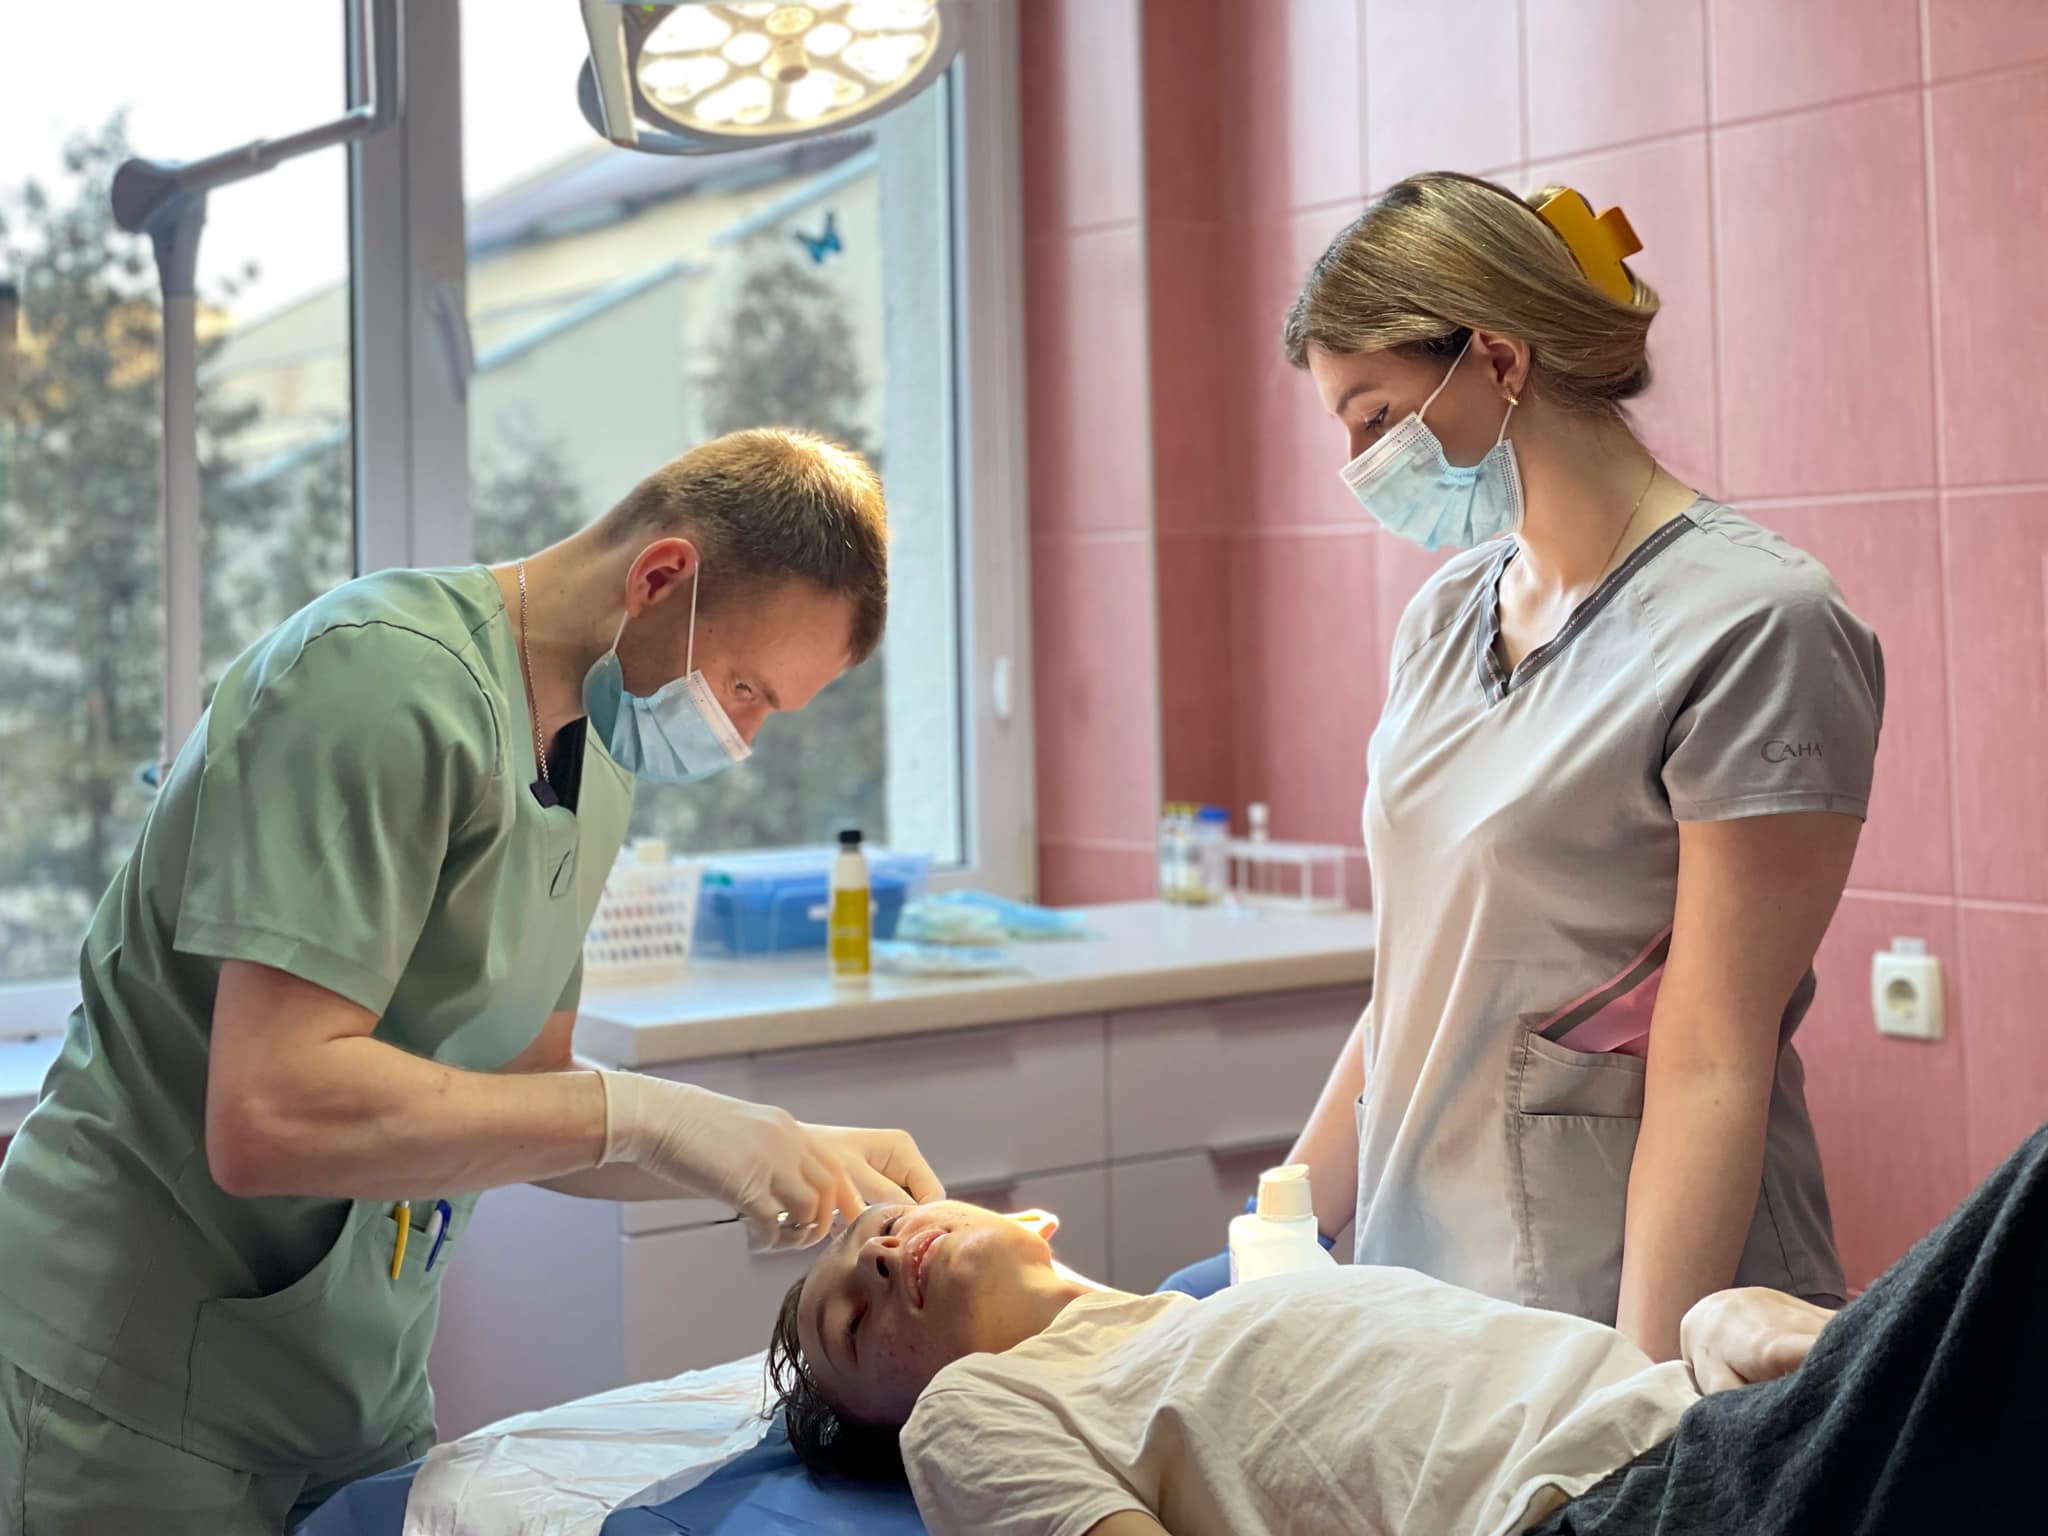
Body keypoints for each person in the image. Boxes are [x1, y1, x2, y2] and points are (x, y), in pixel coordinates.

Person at [0, 428, 944, 1533]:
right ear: (659, 577)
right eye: (744, 687)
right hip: (134, 1374)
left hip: (347, 1382)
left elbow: (527, 1096)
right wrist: (656, 1116)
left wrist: (779, 1152)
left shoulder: (595, 762)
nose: (739, 736)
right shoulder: (376, 682)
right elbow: (268, 1115)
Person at [1165, 174, 1885, 1362]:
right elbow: (1419, 978)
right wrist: (1279, 1237)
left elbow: (1713, 1053)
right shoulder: (1445, 615)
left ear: (1497, 361)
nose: (1358, 464)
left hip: (1626, 1298)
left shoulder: (1757, 625)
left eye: (1373, 418)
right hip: (1420, 1276)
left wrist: (1639, 1401)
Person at [766, 1124, 2048, 1536]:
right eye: (850, 1320)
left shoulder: (1226, 1305)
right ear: (893, 1416)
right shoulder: (976, 1413)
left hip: (1698, 1433)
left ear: (1029, 1223)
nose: (872, 1258)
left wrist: (1724, 1337)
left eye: (878, 1230)